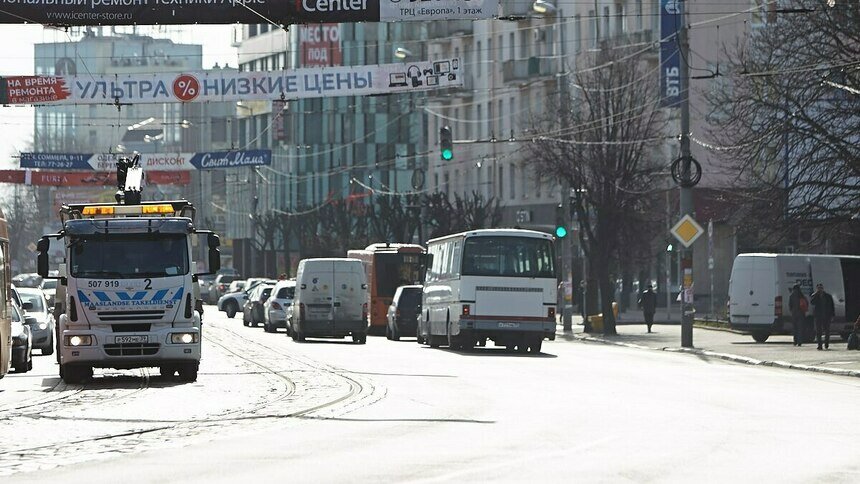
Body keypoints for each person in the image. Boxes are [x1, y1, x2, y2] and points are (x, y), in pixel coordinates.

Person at [810, 283, 835, 350]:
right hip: (818, 316)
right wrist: (816, 294)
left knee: (827, 331)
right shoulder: (815, 296)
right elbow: (812, 302)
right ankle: (819, 345)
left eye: (821, 288)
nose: (820, 289)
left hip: (827, 316)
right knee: (818, 331)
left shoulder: (828, 296)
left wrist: (832, 315)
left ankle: (826, 344)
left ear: (823, 288)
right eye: (818, 288)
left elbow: (832, 306)